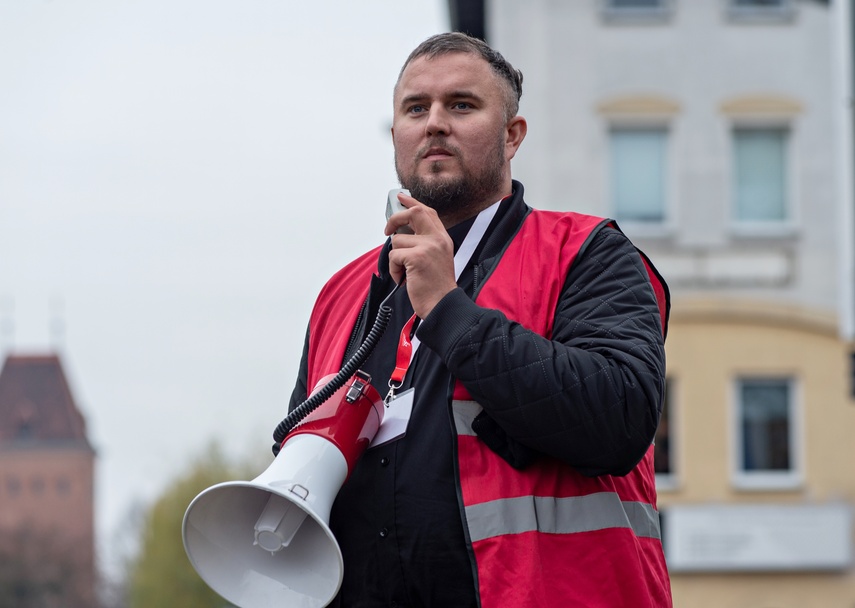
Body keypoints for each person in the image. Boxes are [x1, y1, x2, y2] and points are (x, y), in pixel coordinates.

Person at [282, 32, 672, 607]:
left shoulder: (587, 251)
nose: (435, 122)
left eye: (461, 105)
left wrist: (448, 309)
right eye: (416, 109)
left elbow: (618, 417)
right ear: (396, 136)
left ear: (513, 136)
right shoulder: (340, 295)